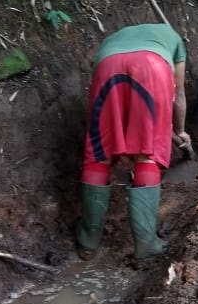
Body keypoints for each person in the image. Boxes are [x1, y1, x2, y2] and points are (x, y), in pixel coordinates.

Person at [76, 23, 191, 260]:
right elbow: (177, 95)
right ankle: (146, 246)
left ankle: (88, 242)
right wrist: (179, 130)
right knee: (146, 154)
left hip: (107, 68)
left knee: (101, 153)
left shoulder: (115, 36)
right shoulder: (174, 39)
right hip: (152, 69)